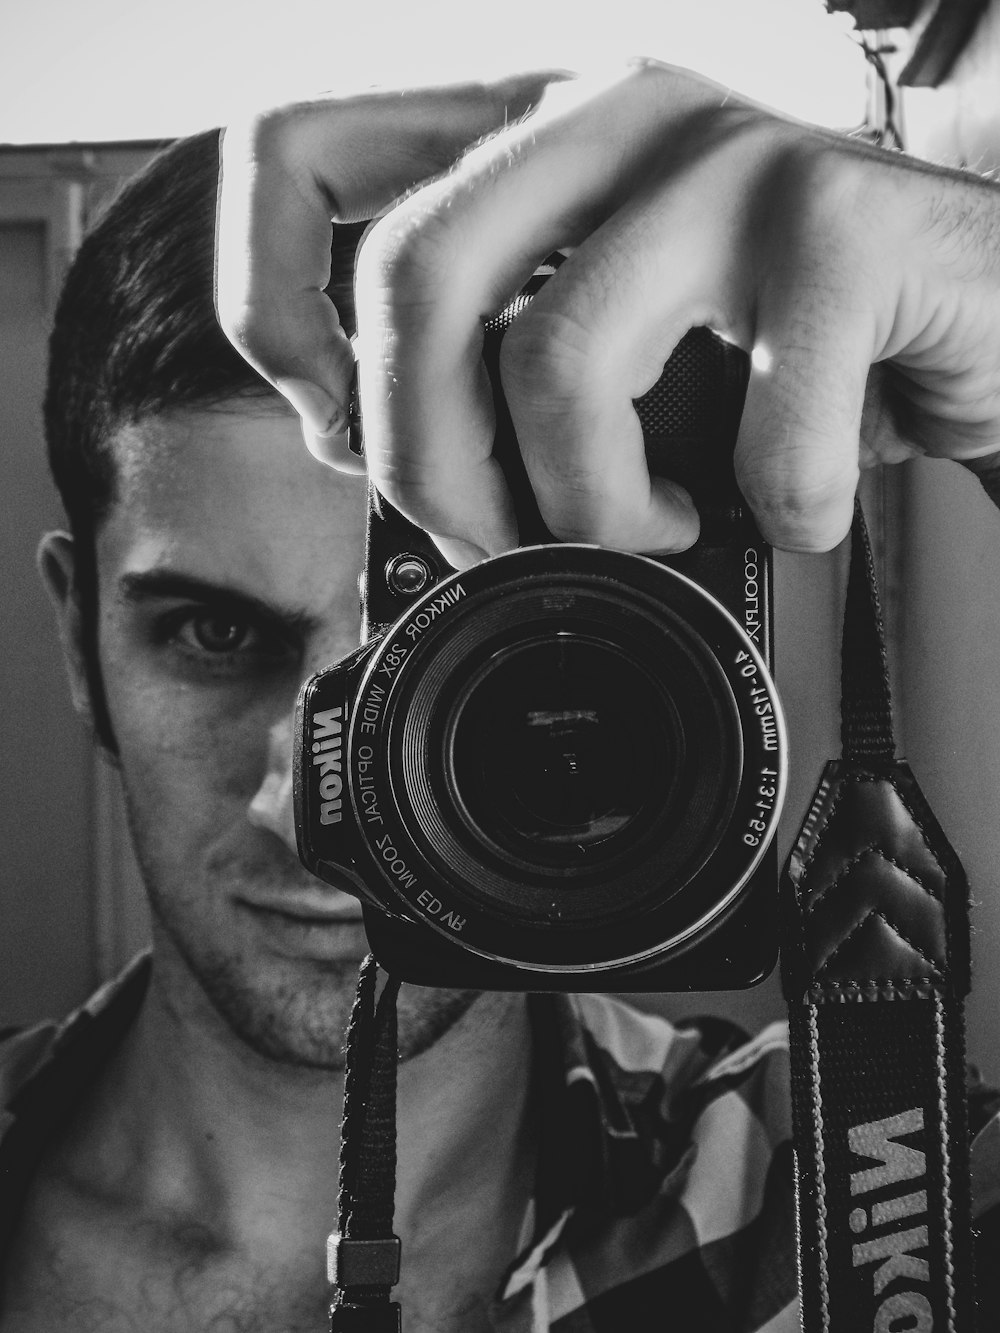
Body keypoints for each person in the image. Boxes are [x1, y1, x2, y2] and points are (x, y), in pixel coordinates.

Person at [1, 56, 999, 1333]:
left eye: (428, 647)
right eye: (211, 632)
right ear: (77, 638)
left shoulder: (852, 1185)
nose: (311, 791)